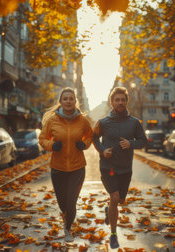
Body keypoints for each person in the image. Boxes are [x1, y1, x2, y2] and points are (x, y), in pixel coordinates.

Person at [92, 87, 147, 249]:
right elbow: (94, 137)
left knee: (120, 200)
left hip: (125, 169)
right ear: (112, 102)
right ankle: (113, 235)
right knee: (115, 197)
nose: (120, 102)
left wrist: (131, 143)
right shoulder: (103, 122)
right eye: (117, 100)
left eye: (123, 99)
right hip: (107, 167)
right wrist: (102, 150)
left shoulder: (134, 122)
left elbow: (143, 141)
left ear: (126, 101)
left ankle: (109, 210)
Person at [38, 87, 93, 242]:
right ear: (61, 102)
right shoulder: (52, 120)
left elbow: (90, 135)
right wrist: (51, 145)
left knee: (71, 202)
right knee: (63, 203)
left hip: (77, 168)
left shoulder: (82, 120)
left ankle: (67, 229)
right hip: (58, 168)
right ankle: (66, 217)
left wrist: (85, 144)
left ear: (75, 101)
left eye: (71, 98)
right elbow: (42, 139)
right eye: (65, 99)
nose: (68, 101)